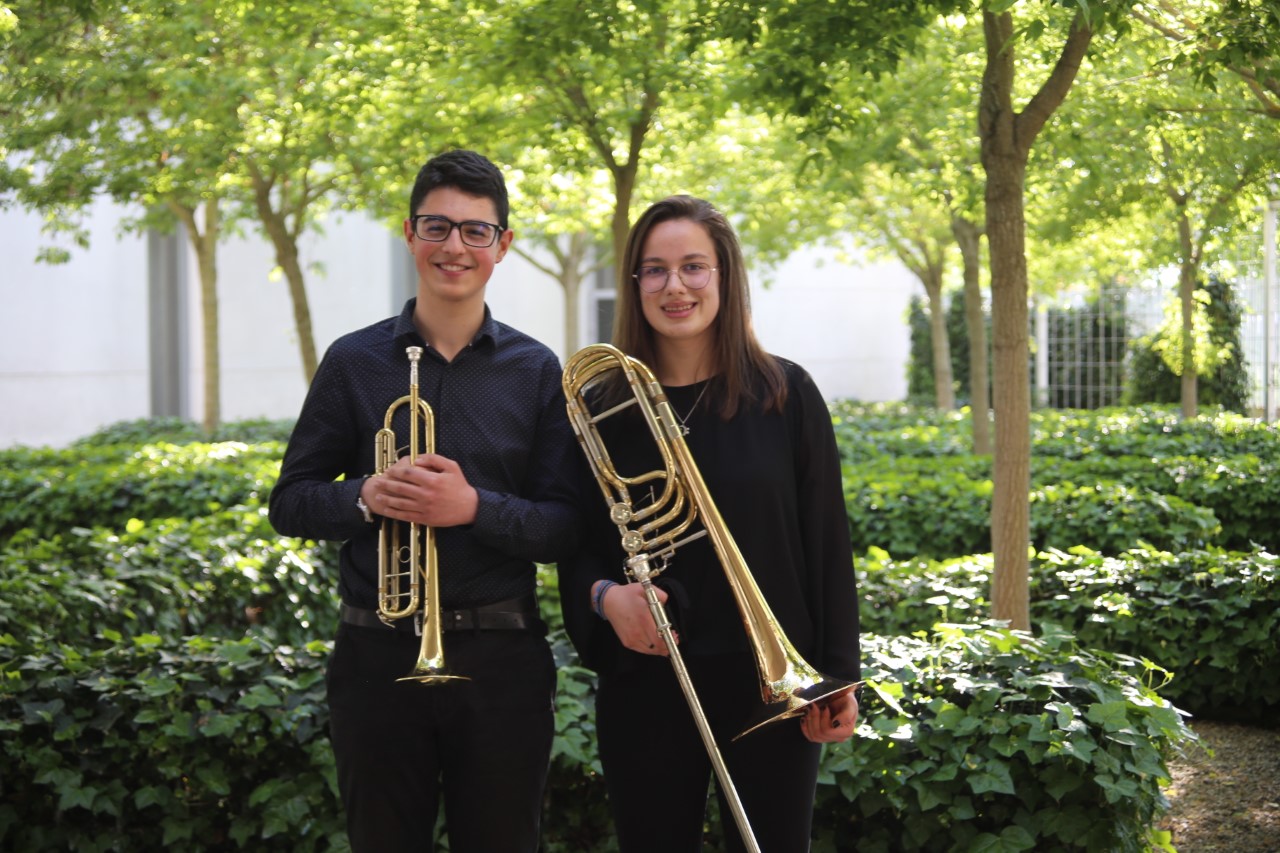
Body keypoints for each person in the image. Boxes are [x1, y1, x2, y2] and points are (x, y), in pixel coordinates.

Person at [268, 149, 579, 853]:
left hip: (502, 661)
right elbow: (289, 502)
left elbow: (565, 525)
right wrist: (366, 496)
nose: (454, 247)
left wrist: (474, 508)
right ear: (409, 234)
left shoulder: (535, 371)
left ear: (503, 244)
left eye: (476, 231)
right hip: (375, 657)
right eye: (438, 227)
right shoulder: (354, 361)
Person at [559, 195, 862, 852]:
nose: (675, 286)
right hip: (647, 683)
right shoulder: (602, 406)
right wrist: (606, 599)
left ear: (725, 277)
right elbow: (576, 544)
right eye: (655, 269)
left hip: (773, 685)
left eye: (694, 267)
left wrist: (837, 674)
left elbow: (826, 542)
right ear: (634, 282)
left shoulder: (787, 394)